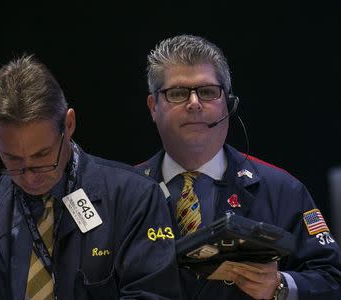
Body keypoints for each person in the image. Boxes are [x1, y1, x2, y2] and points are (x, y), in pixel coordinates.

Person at [0, 55, 181, 299]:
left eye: (42, 156)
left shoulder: (135, 198)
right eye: (12, 159)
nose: (30, 177)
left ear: (69, 124)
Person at [136, 34, 341, 299]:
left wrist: (279, 285)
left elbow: (332, 280)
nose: (195, 103)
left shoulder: (282, 189)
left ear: (228, 104)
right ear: (153, 107)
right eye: (177, 93)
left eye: (208, 92)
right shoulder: (123, 191)